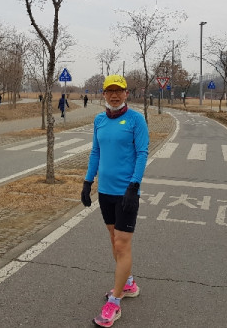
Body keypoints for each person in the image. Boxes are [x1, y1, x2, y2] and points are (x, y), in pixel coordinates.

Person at [81, 74, 149, 327]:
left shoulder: (135, 120)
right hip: (105, 192)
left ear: (126, 94)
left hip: (126, 192)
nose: (114, 95)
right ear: (103, 94)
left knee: (122, 244)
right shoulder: (99, 120)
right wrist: (88, 182)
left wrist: (134, 185)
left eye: (118, 91)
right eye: (109, 91)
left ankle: (115, 302)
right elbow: (96, 152)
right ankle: (128, 283)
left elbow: (142, 153)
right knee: (113, 239)